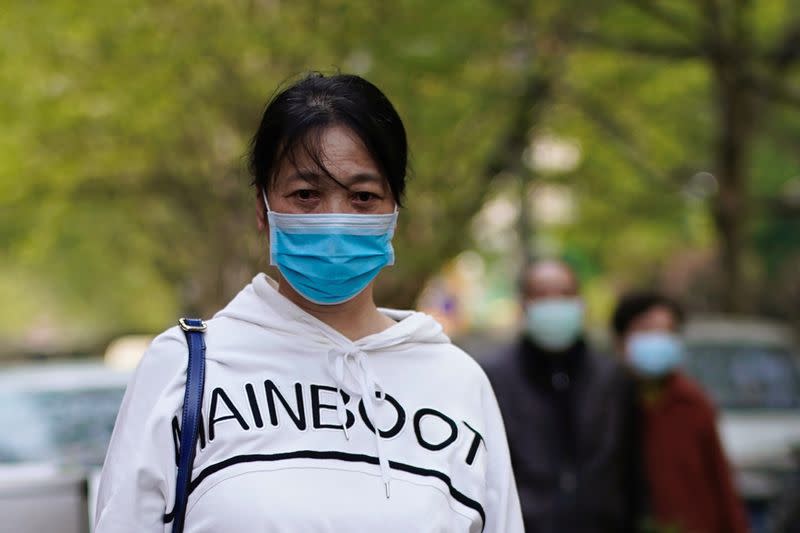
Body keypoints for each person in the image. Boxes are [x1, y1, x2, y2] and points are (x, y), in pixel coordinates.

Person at [94, 73, 523, 532]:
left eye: (362, 197)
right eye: (306, 195)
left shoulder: (457, 383)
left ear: (394, 212)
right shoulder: (185, 369)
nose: (335, 221)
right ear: (263, 208)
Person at [484, 260, 643, 533]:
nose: (555, 304)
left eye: (565, 294)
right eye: (542, 295)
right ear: (524, 305)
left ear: (580, 302)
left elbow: (631, 467)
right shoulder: (492, 378)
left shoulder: (612, 378)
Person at [611, 290, 749, 533]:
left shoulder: (693, 403)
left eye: (668, 331)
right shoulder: (605, 403)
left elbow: (720, 484)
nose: (658, 339)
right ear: (622, 341)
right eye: (648, 330)